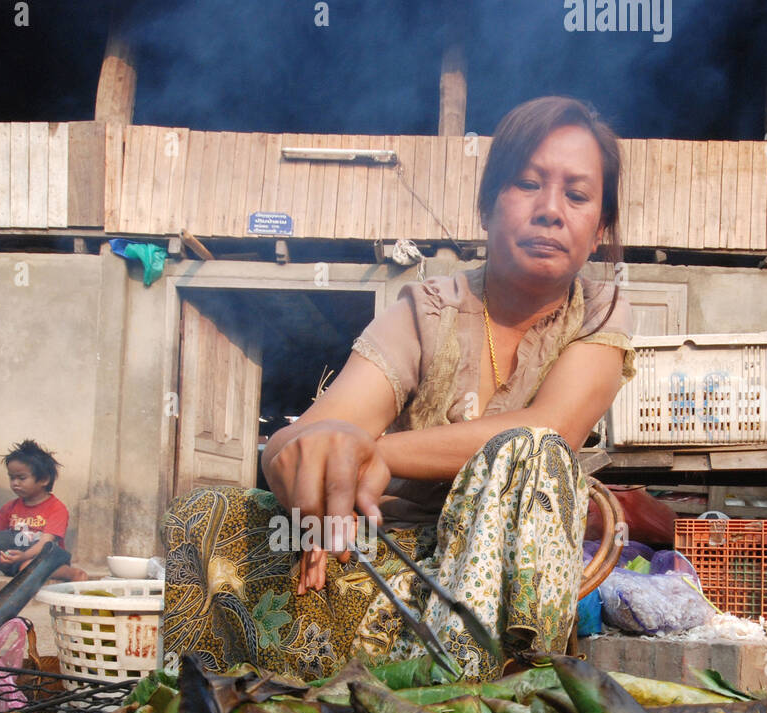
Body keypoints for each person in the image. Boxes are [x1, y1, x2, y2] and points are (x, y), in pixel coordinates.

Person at [163, 96, 636, 682]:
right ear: (489, 205)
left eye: (577, 195)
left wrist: (379, 453)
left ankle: (487, 700)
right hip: (389, 562)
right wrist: (309, 465)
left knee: (533, 455)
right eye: (527, 184)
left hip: (500, 588)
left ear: (600, 229)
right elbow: (317, 429)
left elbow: (552, 426)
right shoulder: (428, 308)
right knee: (206, 513)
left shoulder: (600, 310)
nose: (550, 210)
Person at [0, 439, 88, 581]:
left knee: (27, 567)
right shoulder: (10, 507)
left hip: (48, 557)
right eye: (11, 478)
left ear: (44, 480)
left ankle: (72, 573)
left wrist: (24, 556)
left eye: (21, 478)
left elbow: (46, 543)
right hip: (18, 557)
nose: (15, 483)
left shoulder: (56, 508)